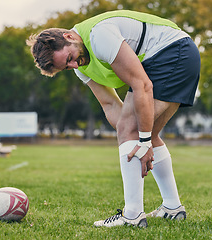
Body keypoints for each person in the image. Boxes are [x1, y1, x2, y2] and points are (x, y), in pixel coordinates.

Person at [27, 10, 200, 228]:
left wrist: (140, 138)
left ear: (69, 37)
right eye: (66, 67)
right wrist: (133, 134)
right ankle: (172, 208)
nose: (73, 66)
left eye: (69, 58)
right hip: (179, 54)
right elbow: (109, 105)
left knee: (136, 129)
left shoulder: (100, 36)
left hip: (173, 52)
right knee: (137, 128)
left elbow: (142, 85)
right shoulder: (81, 67)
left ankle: (133, 215)